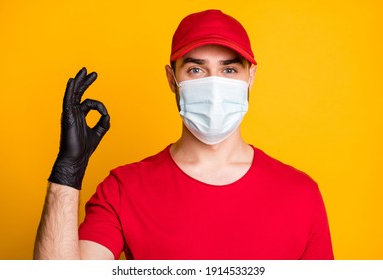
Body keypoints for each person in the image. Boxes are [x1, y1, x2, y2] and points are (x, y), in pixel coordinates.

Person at [34, 9, 334, 260]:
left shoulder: (300, 194)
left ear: (250, 77)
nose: (214, 85)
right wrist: (67, 171)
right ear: (172, 78)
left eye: (229, 70)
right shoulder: (124, 189)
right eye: (196, 70)